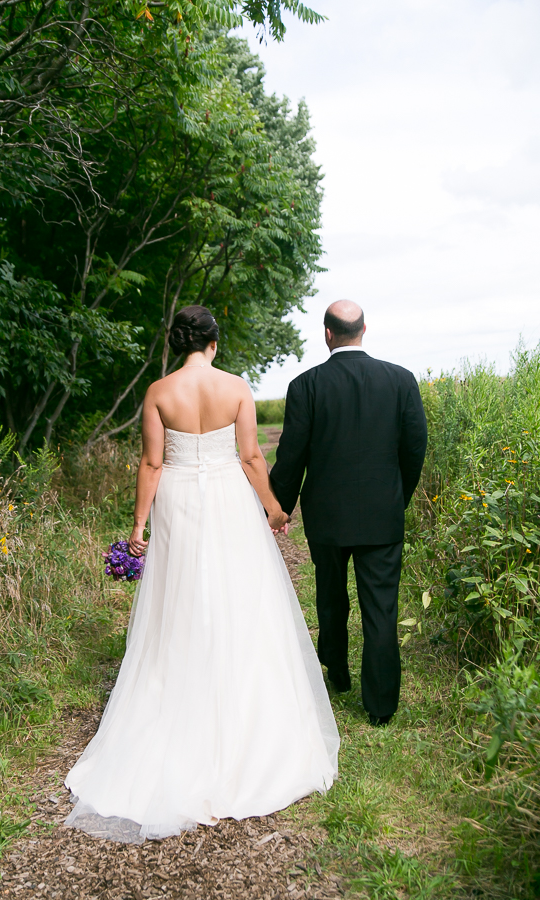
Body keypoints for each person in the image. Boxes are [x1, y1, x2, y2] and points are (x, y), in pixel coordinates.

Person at [64, 305, 339, 843]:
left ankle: (179, 702)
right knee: (241, 598)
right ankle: (244, 720)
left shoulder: (159, 392)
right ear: (214, 342)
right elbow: (251, 457)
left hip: (179, 502)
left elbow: (151, 464)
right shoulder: (236, 387)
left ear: (176, 344)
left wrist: (139, 526)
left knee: (181, 601)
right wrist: (275, 508)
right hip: (232, 503)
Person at [270, 301, 427, 726]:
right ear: (363, 330)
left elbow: (291, 456)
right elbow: (415, 449)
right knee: (381, 608)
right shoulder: (400, 380)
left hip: (327, 516)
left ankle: (337, 673)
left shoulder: (306, 385)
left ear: (327, 333)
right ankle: (380, 707)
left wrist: (279, 507)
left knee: (331, 596)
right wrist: (399, 496)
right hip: (383, 515)